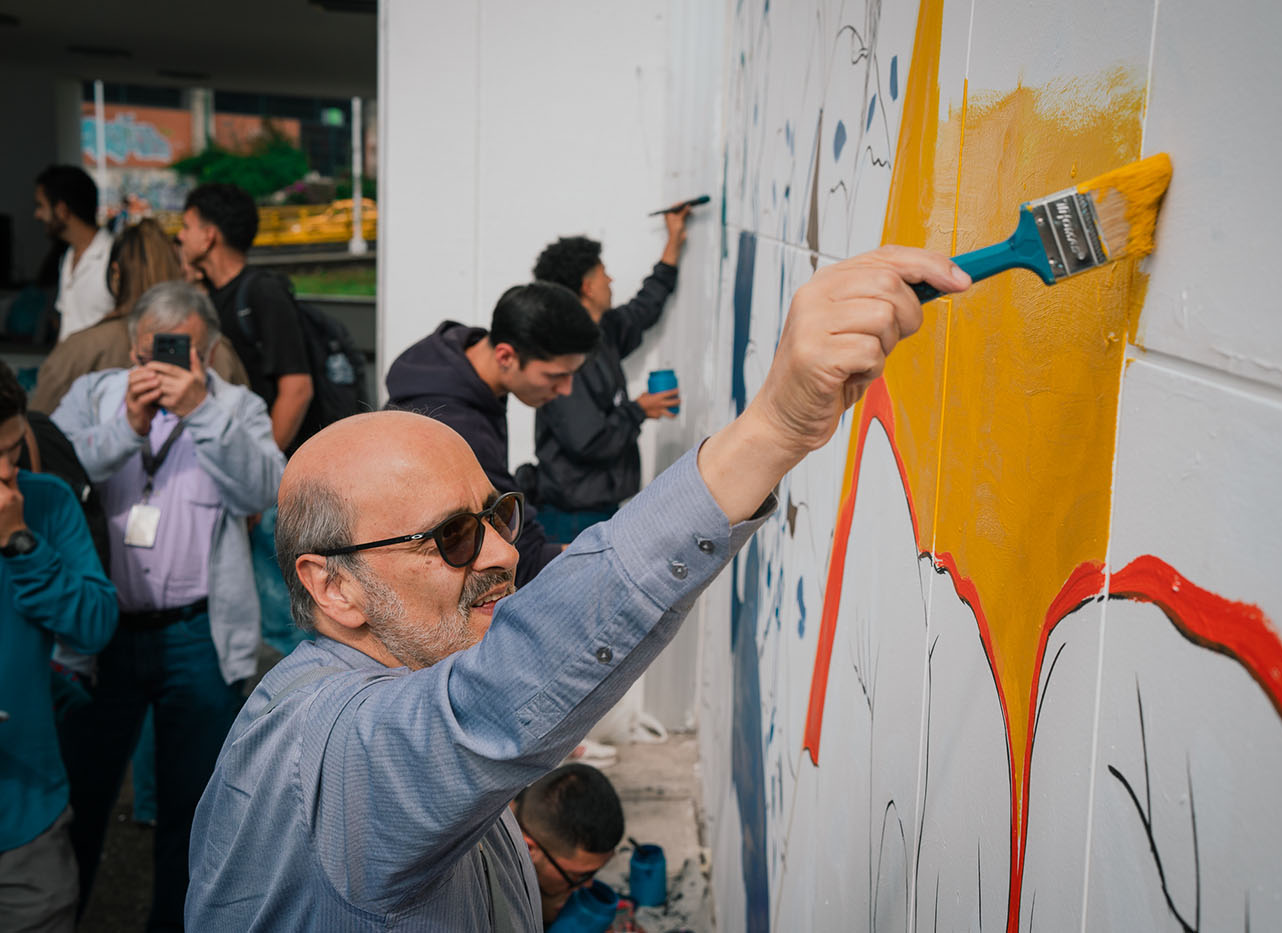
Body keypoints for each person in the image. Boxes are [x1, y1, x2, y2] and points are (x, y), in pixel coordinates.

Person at [184, 244, 971, 931]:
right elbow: (494, 702)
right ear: (333, 587)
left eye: (498, 512)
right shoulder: (333, 752)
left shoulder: (404, 665)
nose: (500, 551)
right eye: (453, 536)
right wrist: (772, 430)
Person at [51, 281, 285, 930]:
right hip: (103, 634)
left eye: (184, 354)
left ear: (207, 354)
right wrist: (125, 427)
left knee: (192, 809)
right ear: (132, 348)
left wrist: (202, 412)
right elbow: (61, 478)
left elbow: (266, 488)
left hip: (196, 637)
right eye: (154, 353)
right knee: (83, 793)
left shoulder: (236, 408)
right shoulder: (92, 398)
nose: (167, 369)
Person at [0, 360, 118, 932]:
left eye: (13, 449)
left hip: (30, 813)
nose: (6, 474)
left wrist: (22, 546)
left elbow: (94, 625)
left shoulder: (44, 500)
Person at [384, 281, 599, 584]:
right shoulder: (454, 425)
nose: (565, 389)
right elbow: (520, 557)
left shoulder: (456, 355)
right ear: (506, 355)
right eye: (555, 376)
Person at [529, 205, 692, 543]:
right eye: (604, 272)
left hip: (596, 509)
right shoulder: (564, 355)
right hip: (571, 519)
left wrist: (673, 241)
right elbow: (587, 441)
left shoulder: (602, 332)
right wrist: (639, 410)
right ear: (588, 287)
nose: (611, 280)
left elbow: (643, 310)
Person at [29, 218, 249, 414]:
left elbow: (39, 429)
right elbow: (245, 425)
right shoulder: (216, 348)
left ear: (116, 274)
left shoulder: (79, 349)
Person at [179, 182, 312, 452]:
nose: (180, 236)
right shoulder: (208, 297)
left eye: (186, 226)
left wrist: (263, 466)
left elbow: (297, 389)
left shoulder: (263, 293)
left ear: (208, 236)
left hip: (256, 462)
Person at [511, 764, 625, 925]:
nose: (588, 884)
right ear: (528, 848)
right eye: (576, 875)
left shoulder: (523, 816)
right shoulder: (479, 881)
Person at [33, 165, 115, 342]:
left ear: (62, 210)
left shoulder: (114, 256)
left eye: (41, 206)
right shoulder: (67, 257)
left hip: (107, 369)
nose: (37, 215)